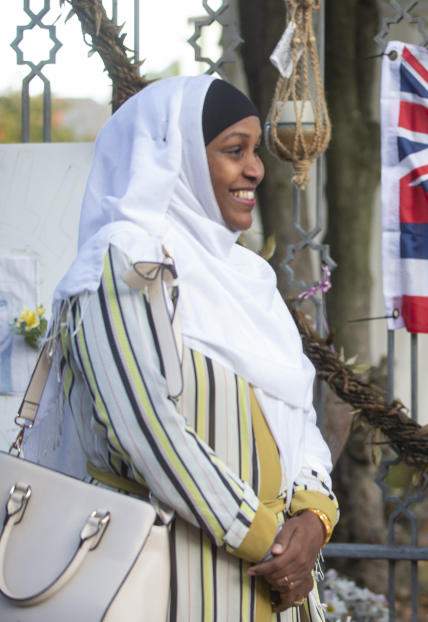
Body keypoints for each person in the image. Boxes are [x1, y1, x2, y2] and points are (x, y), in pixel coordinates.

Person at [21, 75, 339, 621]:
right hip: (167, 576)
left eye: (256, 151)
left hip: (267, 581)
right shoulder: (126, 266)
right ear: (176, 160)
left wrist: (313, 516)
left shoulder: (249, 279)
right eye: (233, 151)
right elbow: (145, 427)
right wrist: (265, 537)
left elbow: (295, 410)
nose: (256, 170)